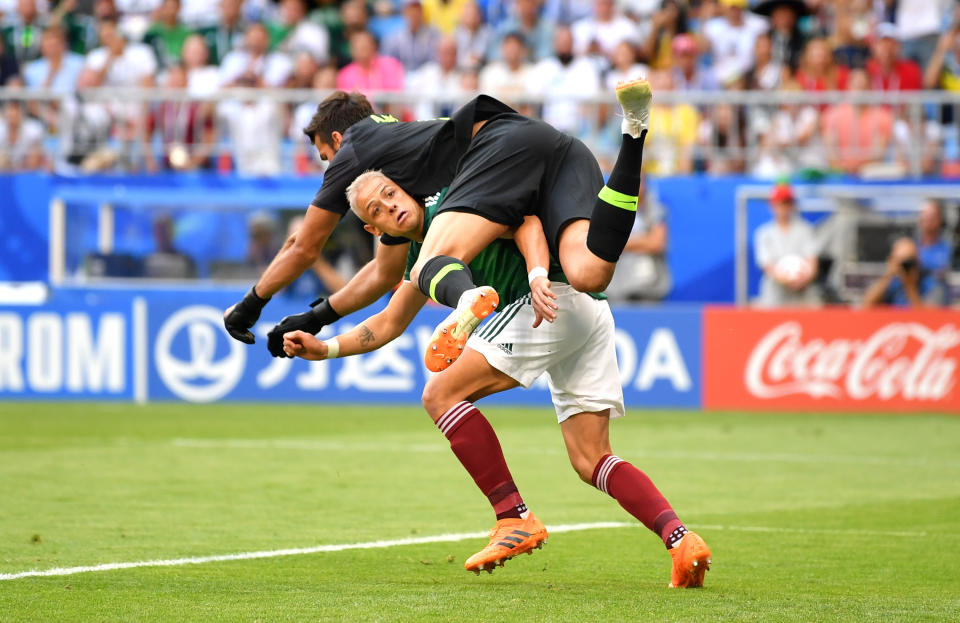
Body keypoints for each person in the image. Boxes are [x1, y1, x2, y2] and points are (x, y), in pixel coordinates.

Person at [279, 170, 712, 587]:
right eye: (377, 209)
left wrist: (538, 274)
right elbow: (389, 322)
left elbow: (522, 220)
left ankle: (513, 517)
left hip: (544, 299)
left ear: (405, 190)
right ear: (375, 230)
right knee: (591, 459)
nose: (390, 206)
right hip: (586, 310)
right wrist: (327, 347)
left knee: (440, 394)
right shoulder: (423, 256)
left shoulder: (453, 206)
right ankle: (681, 541)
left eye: (391, 193)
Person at [226, 81, 652, 374]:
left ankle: (466, 299)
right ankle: (633, 134)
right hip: (555, 151)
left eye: (324, 157)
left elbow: (304, 245)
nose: (330, 170)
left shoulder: (353, 154)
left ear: (335, 140)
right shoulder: (399, 170)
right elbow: (383, 273)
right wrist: (317, 318)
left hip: (495, 142)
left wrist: (251, 304)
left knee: (429, 260)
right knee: (590, 271)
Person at [753, 183, 821, 307]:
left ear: (792, 205)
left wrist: (803, 279)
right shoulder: (764, 233)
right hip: (775, 295)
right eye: (779, 203)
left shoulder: (805, 230)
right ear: (772, 205)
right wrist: (786, 279)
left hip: (803, 293)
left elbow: (812, 261)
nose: (782, 208)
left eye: (786, 203)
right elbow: (767, 265)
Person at [862, 237, 948, 307]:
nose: (905, 266)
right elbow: (866, 307)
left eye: (910, 261)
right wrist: (889, 276)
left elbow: (930, 319)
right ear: (891, 260)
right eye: (901, 262)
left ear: (918, 262)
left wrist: (911, 287)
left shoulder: (931, 284)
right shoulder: (890, 283)